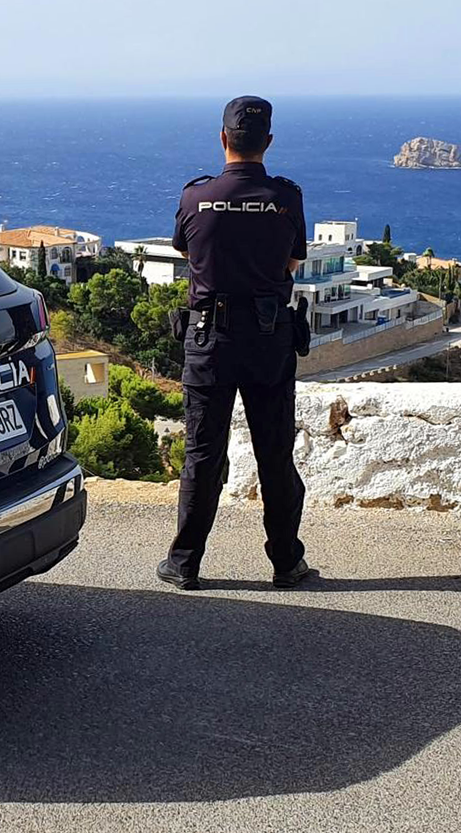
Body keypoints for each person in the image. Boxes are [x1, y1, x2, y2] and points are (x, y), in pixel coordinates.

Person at [156, 96, 313, 591]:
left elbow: (185, 251)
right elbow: (290, 265)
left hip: (209, 339)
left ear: (223, 139)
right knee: (275, 454)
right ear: (267, 142)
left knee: (202, 453)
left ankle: (184, 564)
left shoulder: (193, 197)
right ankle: (286, 563)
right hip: (269, 341)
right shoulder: (287, 198)